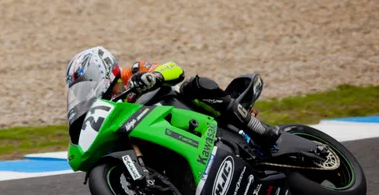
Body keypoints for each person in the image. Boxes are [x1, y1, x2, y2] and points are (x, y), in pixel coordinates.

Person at [65, 46, 281, 148]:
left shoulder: (133, 71)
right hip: (164, 135)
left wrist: (154, 77)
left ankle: (257, 128)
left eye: (88, 85)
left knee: (193, 86)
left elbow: (175, 69)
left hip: (188, 112)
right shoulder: (106, 109)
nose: (88, 92)